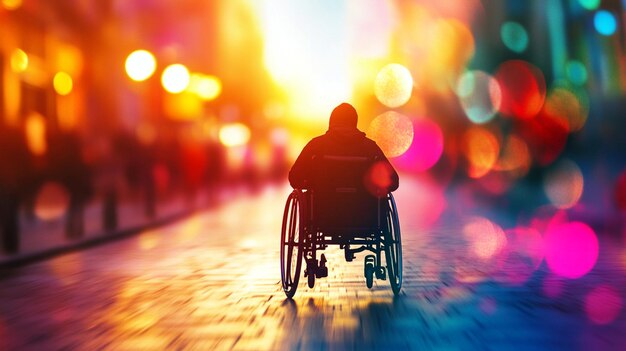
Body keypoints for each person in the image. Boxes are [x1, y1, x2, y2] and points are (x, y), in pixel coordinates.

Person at [289, 103, 399, 193]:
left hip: (322, 216)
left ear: (331, 122)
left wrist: (316, 183)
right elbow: (393, 182)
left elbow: (294, 179)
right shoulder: (371, 148)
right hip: (363, 216)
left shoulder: (316, 145)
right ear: (354, 123)